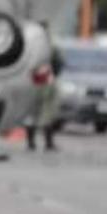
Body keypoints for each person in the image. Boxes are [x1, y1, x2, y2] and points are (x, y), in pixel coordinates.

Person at [26, 22, 62, 152]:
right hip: (46, 79)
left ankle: (30, 143)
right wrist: (55, 74)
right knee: (47, 111)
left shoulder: (27, 43)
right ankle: (48, 143)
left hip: (29, 82)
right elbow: (59, 61)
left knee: (31, 112)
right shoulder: (49, 44)